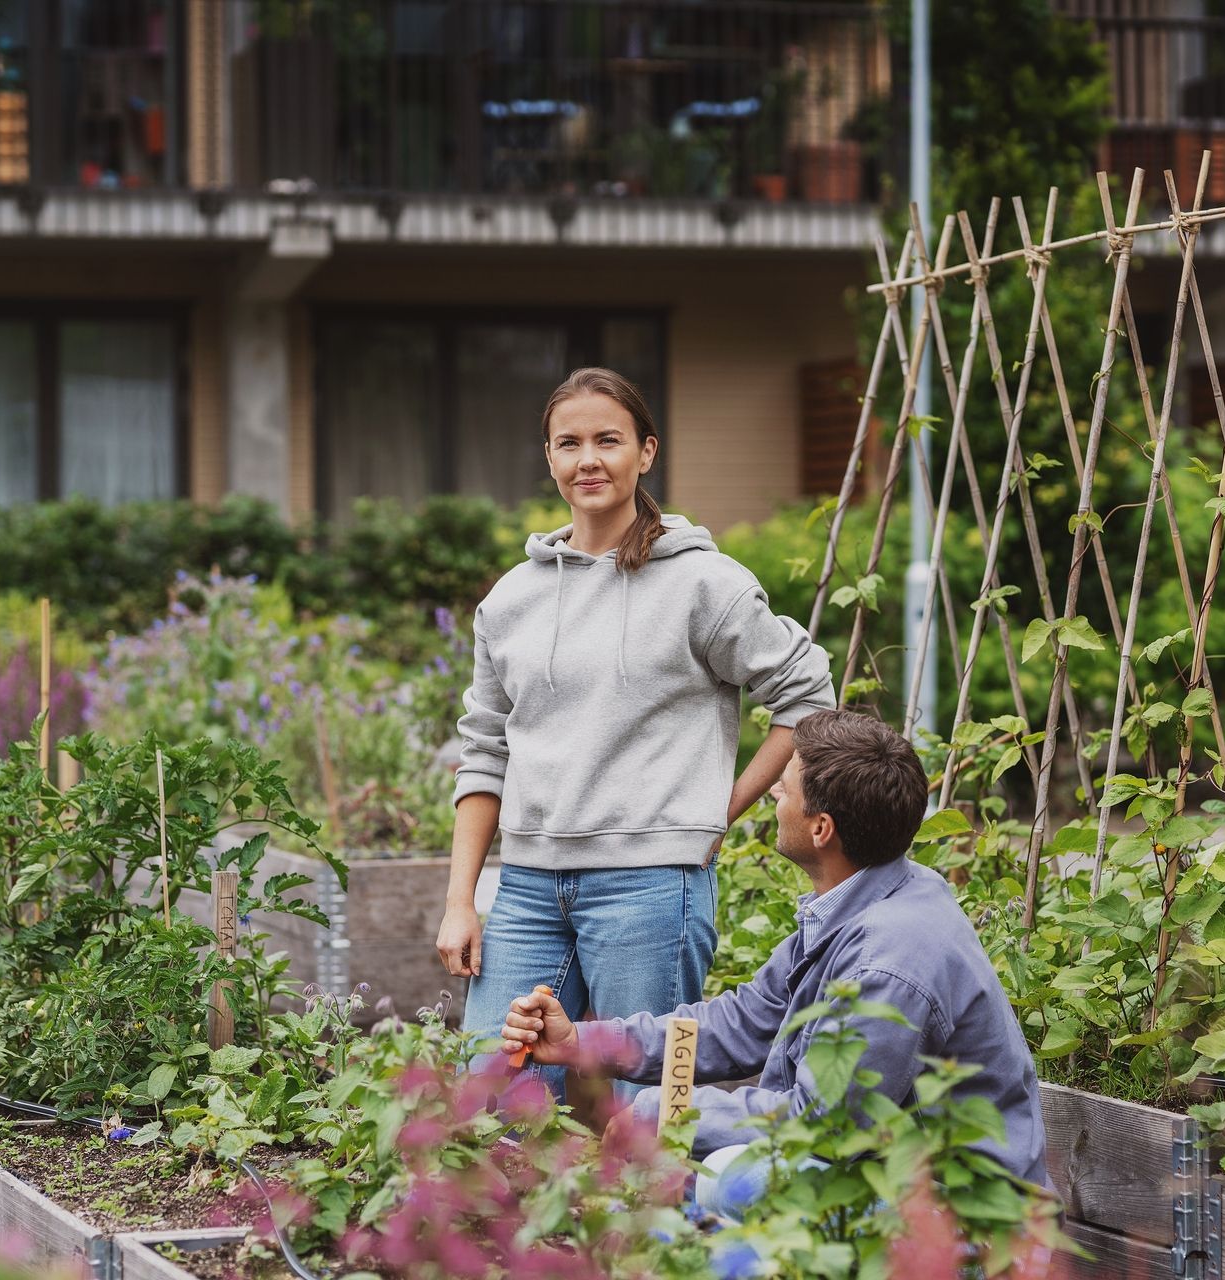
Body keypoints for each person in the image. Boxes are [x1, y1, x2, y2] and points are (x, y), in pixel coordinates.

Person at [441, 366, 835, 1096]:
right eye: (569, 443)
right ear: (551, 459)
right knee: (490, 1099)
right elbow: (485, 749)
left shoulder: (702, 584)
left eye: (607, 440)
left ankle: (662, 1214)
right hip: (527, 888)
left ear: (645, 452)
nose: (587, 459)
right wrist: (462, 899)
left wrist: (721, 806)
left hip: (651, 887)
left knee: (643, 1106)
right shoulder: (512, 600)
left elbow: (807, 695)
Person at [499, 708, 1050, 1187]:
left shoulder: (891, 962)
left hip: (968, 1227)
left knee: (729, 1184)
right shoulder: (865, 897)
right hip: (884, 1172)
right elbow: (740, 1023)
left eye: (786, 786)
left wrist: (668, 1112)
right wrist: (580, 1041)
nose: (774, 792)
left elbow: (822, 1126)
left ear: (821, 829)